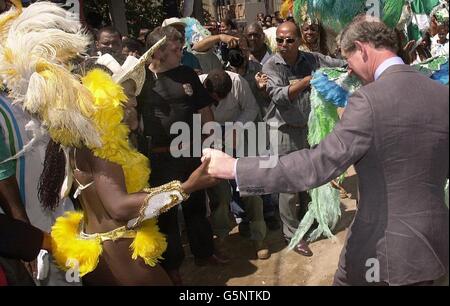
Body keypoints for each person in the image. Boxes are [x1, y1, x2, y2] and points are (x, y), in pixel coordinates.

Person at [203, 17, 449, 286]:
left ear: (362, 49)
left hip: (381, 251)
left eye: (349, 61)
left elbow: (316, 166)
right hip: (433, 248)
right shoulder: (440, 94)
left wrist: (234, 168)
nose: (351, 72)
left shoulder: (368, 101)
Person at [0, 2, 217, 286]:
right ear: (107, 101)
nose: (135, 103)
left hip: (101, 254)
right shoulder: (99, 141)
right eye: (128, 96)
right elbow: (120, 207)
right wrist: (186, 188)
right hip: (121, 257)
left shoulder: (80, 139)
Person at [137, 26, 227, 285]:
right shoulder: (142, 80)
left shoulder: (187, 73)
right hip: (159, 158)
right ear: (159, 52)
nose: (181, 52)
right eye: (176, 49)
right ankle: (172, 266)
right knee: (166, 213)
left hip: (191, 153)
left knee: (196, 206)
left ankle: (204, 252)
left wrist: (212, 145)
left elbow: (203, 109)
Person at [261, 21, 345, 257]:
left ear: (299, 40)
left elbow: (339, 66)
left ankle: (312, 219)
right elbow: (278, 95)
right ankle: (293, 235)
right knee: (287, 185)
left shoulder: (312, 59)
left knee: (312, 178)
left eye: (289, 40)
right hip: (284, 130)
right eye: (279, 40)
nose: (283, 44)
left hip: (310, 129)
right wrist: (307, 81)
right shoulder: (272, 65)